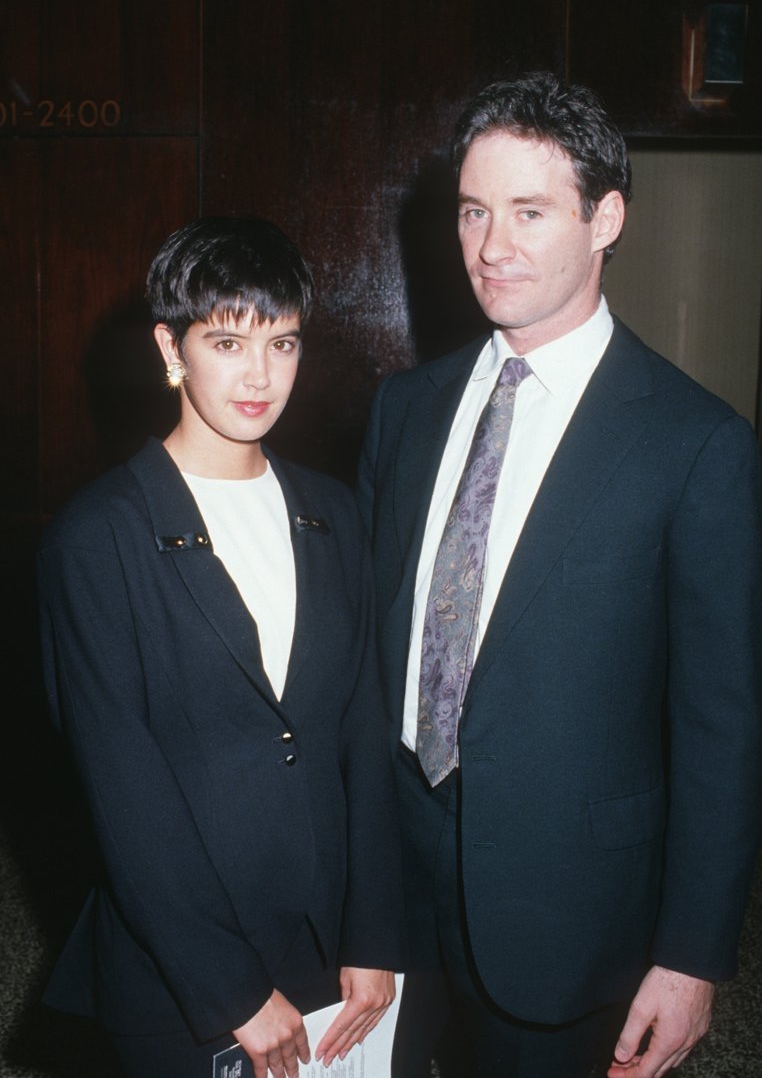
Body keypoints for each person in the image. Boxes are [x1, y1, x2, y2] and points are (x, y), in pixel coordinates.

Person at [357, 72, 762, 1078]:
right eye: (473, 212)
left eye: (529, 212)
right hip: (386, 884)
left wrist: (692, 956)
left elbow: (723, 721)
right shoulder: (402, 410)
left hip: (568, 908)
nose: (492, 247)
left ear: (605, 218)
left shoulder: (699, 446)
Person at [38, 216, 406, 1078]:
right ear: (172, 348)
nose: (259, 374)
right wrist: (230, 990)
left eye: (282, 343)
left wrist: (377, 932)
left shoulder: (334, 512)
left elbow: (361, 732)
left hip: (328, 949)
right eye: (229, 341)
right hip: (184, 970)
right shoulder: (96, 538)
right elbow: (122, 788)